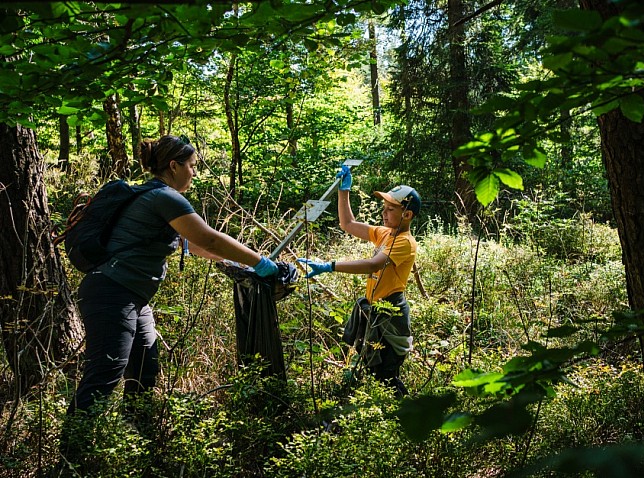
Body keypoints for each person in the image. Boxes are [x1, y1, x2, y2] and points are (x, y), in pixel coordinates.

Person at [65, 135, 278, 418]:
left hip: (132, 297)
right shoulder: (164, 197)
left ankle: (138, 440)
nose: (194, 173)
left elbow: (198, 246)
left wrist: (242, 264)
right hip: (113, 292)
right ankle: (73, 456)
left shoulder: (155, 197)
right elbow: (209, 239)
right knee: (105, 372)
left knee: (144, 370)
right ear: (174, 166)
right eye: (192, 166)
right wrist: (261, 262)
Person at [298, 165, 421, 397]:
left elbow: (373, 264)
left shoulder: (405, 242)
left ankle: (405, 417)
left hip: (390, 313)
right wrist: (344, 191)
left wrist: (329, 266)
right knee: (372, 368)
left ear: (407, 215)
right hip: (374, 310)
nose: (384, 213)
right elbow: (348, 225)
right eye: (384, 208)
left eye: (391, 209)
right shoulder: (384, 233)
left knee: (386, 374)